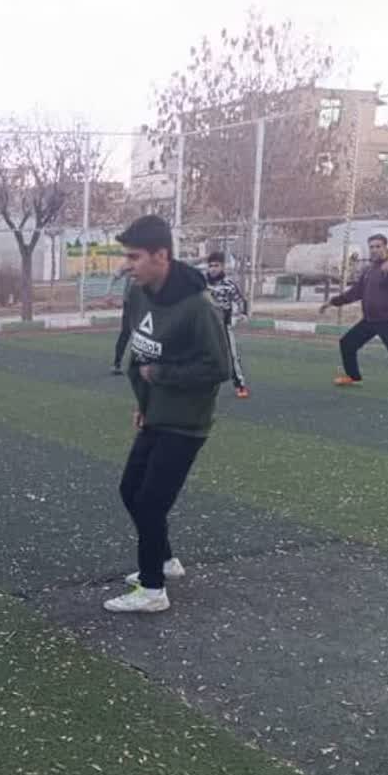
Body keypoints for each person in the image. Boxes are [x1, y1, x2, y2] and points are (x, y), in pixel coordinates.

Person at [105, 215, 230, 615]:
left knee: (150, 502)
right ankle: (165, 561)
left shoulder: (198, 306)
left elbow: (219, 367)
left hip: (186, 421)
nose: (127, 265)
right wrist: (144, 402)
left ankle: (152, 589)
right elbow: (138, 353)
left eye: (135, 257)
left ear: (161, 256)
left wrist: (162, 375)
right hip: (155, 412)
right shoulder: (139, 293)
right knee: (131, 490)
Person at [319, 234, 388, 396]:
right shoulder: (369, 270)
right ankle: (353, 376)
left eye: (378, 246)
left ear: (385, 247)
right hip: (370, 320)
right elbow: (355, 292)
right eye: (372, 247)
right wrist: (332, 302)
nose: (374, 250)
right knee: (347, 343)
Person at [204, 251, 250, 398]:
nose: (213, 269)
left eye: (216, 265)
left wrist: (243, 314)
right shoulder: (202, 283)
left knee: (231, 355)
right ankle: (203, 383)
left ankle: (240, 385)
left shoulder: (229, 285)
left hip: (223, 325)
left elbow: (240, 300)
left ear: (222, 266)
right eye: (210, 266)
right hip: (205, 325)